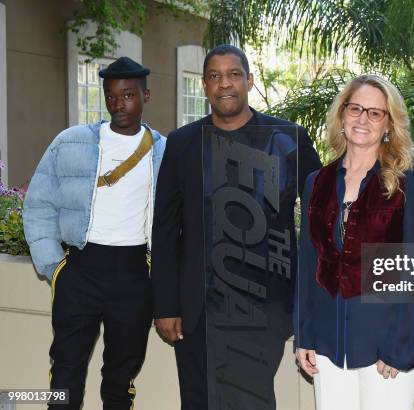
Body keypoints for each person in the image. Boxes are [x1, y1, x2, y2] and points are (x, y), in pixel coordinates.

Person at [151, 44, 321, 409]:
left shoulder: (288, 138)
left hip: (265, 307)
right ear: (204, 85)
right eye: (214, 76)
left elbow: (319, 216)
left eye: (233, 75)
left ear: (249, 81)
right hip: (197, 311)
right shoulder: (181, 143)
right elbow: (164, 229)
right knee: (198, 401)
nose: (224, 84)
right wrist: (165, 304)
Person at [23, 56, 166, 409]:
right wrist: (54, 267)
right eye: (112, 96)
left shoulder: (164, 151)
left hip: (134, 276)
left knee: (120, 380)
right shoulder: (70, 142)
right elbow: (38, 205)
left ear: (146, 96)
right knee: (65, 374)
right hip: (80, 272)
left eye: (128, 95)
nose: (119, 105)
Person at [294, 74, 414, 410]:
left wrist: (400, 348)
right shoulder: (317, 182)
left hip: (385, 348)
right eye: (356, 109)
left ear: (388, 125)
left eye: (375, 113)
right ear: (342, 115)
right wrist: (304, 336)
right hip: (327, 344)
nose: (363, 119)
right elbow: (308, 263)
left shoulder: (405, 187)